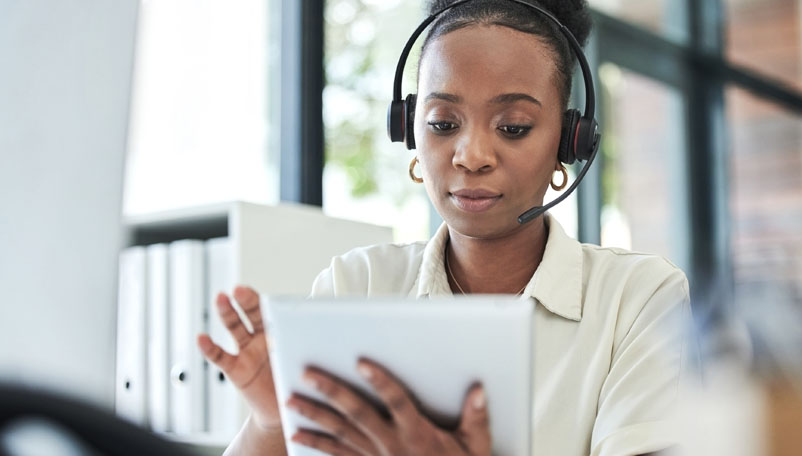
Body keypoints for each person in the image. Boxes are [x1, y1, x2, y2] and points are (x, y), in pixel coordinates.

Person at [197, 0, 690, 455]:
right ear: (409, 128)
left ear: (569, 141)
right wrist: (270, 424)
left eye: (513, 126)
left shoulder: (637, 300)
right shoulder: (357, 285)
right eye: (442, 123)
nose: (471, 156)